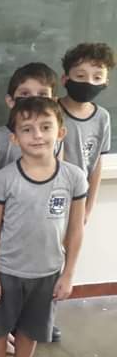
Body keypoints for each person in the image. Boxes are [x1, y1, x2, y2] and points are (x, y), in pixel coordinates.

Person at [0, 97, 87, 357]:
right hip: (7, 271)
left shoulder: (73, 177)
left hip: (48, 273)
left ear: (61, 132)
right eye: (27, 129)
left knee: (31, 330)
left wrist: (68, 274)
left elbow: (76, 229)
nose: (37, 135)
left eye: (45, 127)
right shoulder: (5, 178)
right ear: (15, 138)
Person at [58, 43, 113, 226]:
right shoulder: (51, 111)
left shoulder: (102, 117)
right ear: (65, 79)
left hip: (80, 198)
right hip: (50, 193)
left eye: (97, 77)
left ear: (105, 82)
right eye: (80, 76)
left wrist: (88, 207)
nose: (89, 83)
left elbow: (97, 164)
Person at [0, 62, 59, 170]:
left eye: (42, 94)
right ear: (10, 101)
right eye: (25, 94)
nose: (34, 100)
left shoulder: (55, 138)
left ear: (54, 102)